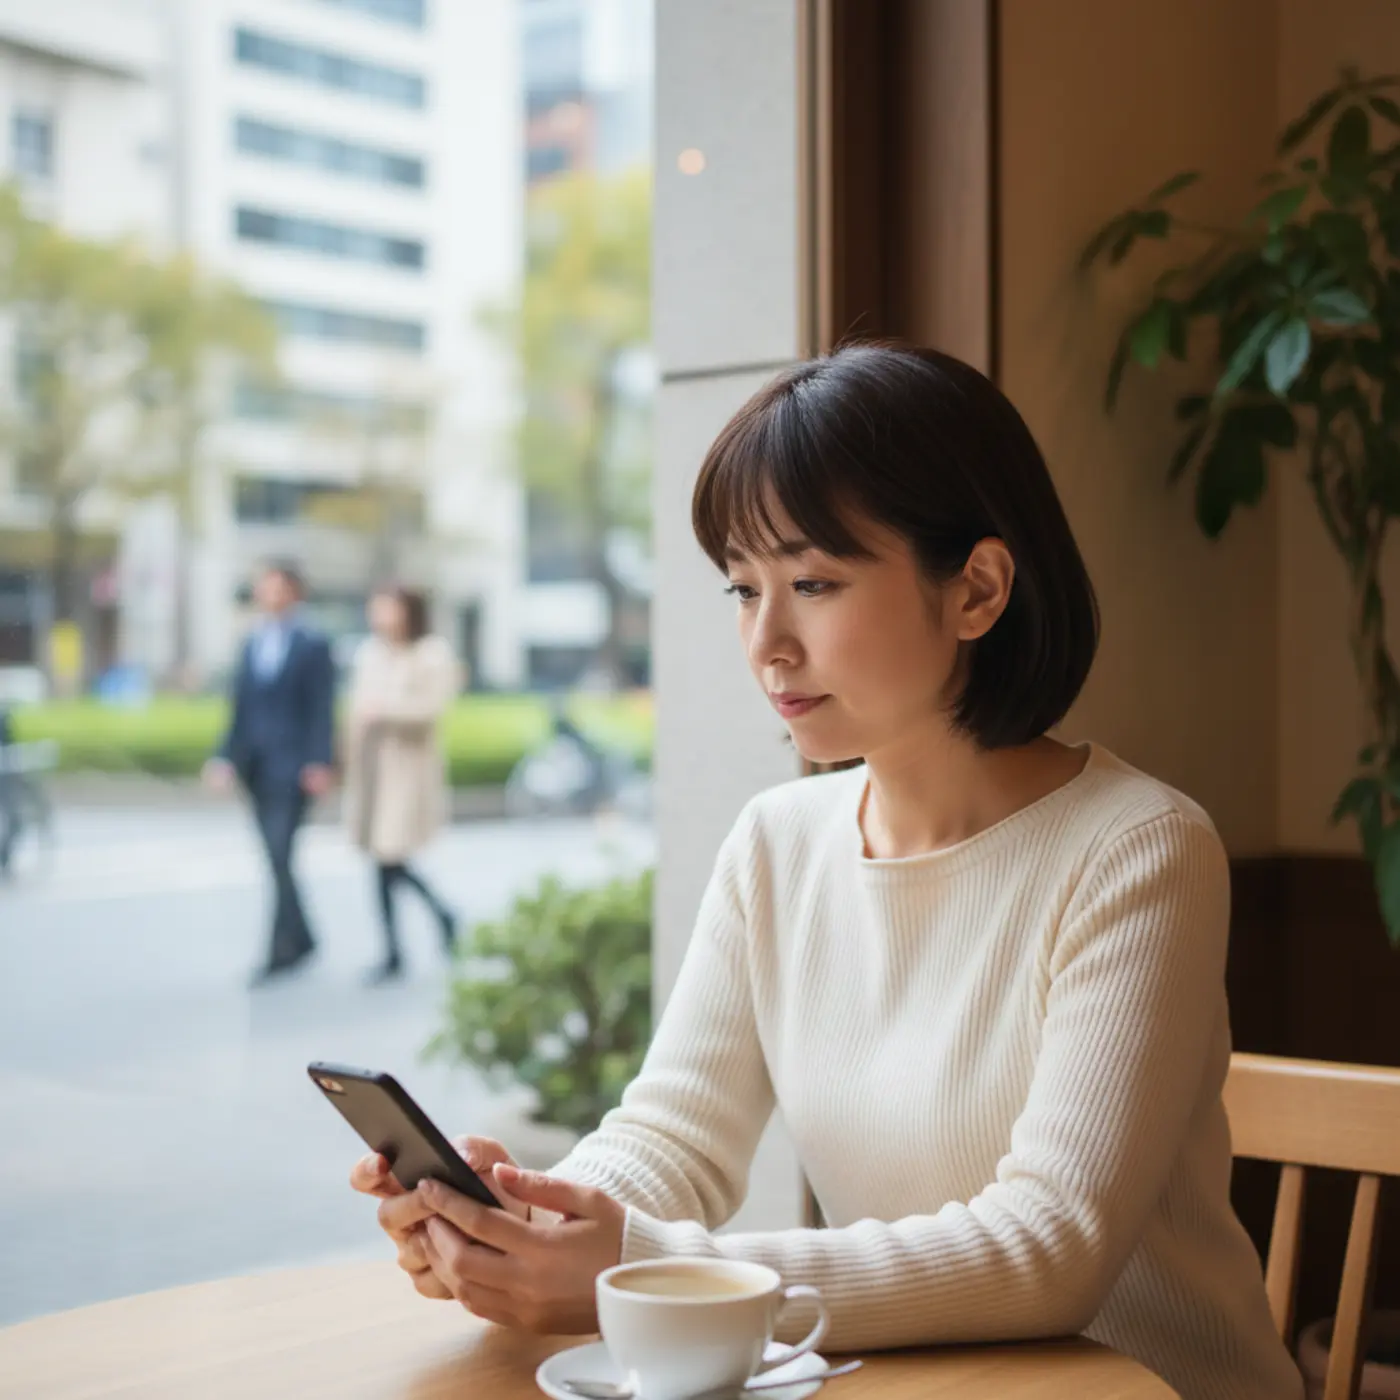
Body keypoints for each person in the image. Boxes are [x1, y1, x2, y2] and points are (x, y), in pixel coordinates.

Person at [350, 346, 1303, 1400]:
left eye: (811, 583)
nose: (766, 642)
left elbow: (1047, 1246)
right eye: (742, 588)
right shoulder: (776, 841)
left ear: (976, 589)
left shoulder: (1137, 849)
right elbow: (675, 1133)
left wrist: (650, 1269)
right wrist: (532, 1216)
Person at [205, 560, 335, 985]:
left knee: (280, 854)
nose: (270, 595)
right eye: (265, 587)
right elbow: (240, 709)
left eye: (279, 588)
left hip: (295, 767)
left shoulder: (312, 643)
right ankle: (304, 938)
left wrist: (320, 760)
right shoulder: (252, 642)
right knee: (275, 859)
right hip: (256, 768)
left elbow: (321, 708)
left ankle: (281, 950)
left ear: (296, 592)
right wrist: (224, 757)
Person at [342, 585, 460, 983]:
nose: (380, 617)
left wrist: (384, 712)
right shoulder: (370, 654)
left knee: (389, 857)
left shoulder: (431, 654)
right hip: (373, 770)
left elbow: (431, 709)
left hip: (407, 771)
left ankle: (405, 942)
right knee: (382, 859)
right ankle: (421, 929)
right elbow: (356, 708)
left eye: (388, 608)